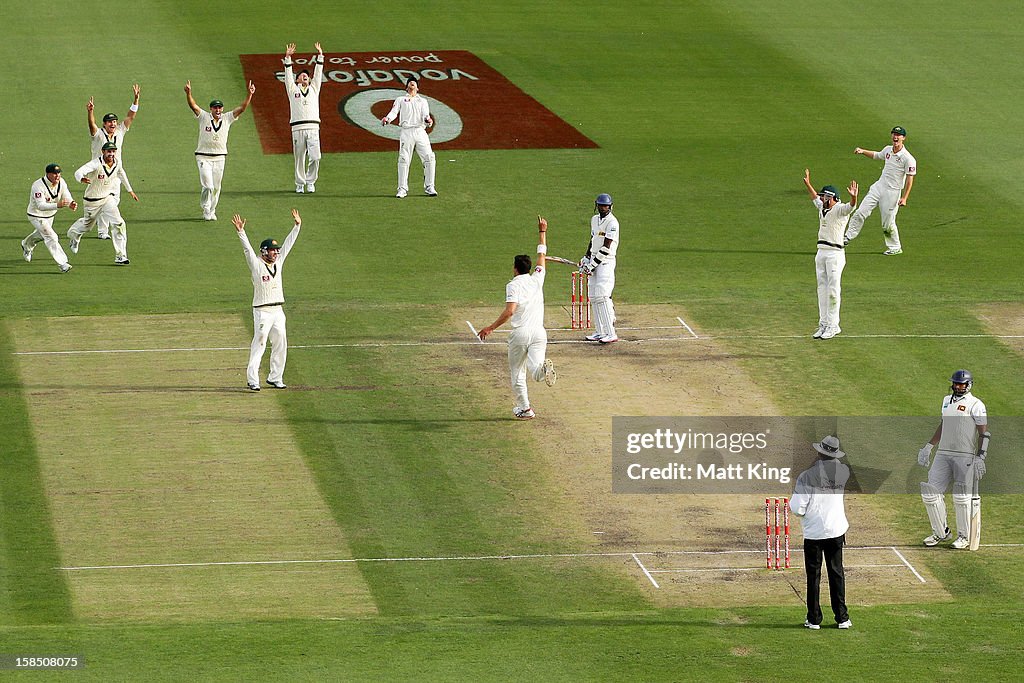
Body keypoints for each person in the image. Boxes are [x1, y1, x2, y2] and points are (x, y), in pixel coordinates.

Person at [476, 216, 557, 419]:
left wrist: (490, 327)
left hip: (520, 334)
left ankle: (525, 408)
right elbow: (541, 255)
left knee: (517, 373)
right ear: (528, 268)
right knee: (535, 368)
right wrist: (543, 232)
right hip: (539, 332)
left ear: (515, 268)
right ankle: (543, 370)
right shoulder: (537, 278)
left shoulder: (513, 285)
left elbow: (510, 311)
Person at [918, 369, 990, 549]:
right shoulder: (945, 401)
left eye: (961, 384)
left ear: (969, 385)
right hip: (943, 453)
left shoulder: (976, 404)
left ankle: (964, 537)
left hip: (964, 455)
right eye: (956, 384)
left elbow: (984, 433)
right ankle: (941, 532)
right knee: (930, 492)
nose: (958, 387)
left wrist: (981, 456)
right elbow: (944, 425)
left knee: (961, 498)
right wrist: (929, 446)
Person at [233, 209, 302, 392]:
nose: (275, 253)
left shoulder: (279, 262)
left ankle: (275, 377)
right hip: (262, 310)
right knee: (260, 342)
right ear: (264, 251)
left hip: (278, 310)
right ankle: (253, 379)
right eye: (272, 250)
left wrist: (297, 226)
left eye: (276, 250)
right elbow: (247, 250)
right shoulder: (256, 265)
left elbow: (288, 245)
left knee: (281, 341)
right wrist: (241, 232)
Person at [789, 435, 852, 630]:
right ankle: (842, 618)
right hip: (836, 530)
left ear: (819, 452)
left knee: (814, 576)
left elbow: (797, 508)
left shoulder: (807, 476)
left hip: (815, 533)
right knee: (836, 573)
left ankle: (814, 619)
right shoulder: (843, 471)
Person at [185, 79, 256, 220]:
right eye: (215, 108)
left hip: (220, 157)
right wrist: (189, 93)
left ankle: (212, 210)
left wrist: (250, 94)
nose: (217, 110)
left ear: (222, 109)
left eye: (219, 108)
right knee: (208, 185)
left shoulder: (227, 118)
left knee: (217, 187)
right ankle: (205, 208)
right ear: (211, 109)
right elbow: (193, 106)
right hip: (203, 156)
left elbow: (242, 108)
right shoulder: (204, 117)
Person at [843, 126, 917, 255]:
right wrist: (862, 151)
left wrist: (904, 198)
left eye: (898, 135)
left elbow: (910, 180)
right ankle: (847, 237)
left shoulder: (908, 158)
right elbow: (877, 155)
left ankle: (895, 247)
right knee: (860, 211)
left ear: (903, 138)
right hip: (879, 187)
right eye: (894, 134)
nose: (895, 137)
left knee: (887, 224)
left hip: (892, 192)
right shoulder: (888, 150)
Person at [802, 171, 858, 340]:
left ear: (831, 197)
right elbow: (814, 198)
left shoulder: (840, 209)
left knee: (833, 291)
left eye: (824, 197)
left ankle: (834, 325)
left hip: (835, 254)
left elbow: (851, 207)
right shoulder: (822, 208)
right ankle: (824, 324)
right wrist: (808, 184)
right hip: (821, 253)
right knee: (822, 289)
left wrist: (854, 197)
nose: (822, 199)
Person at [67, 142, 138, 265]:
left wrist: (130, 190)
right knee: (87, 226)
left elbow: (122, 174)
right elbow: (79, 172)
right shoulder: (95, 163)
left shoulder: (117, 162)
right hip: (92, 201)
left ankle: (121, 255)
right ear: (103, 152)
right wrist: (81, 179)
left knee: (119, 223)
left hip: (107, 199)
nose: (111, 154)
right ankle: (74, 236)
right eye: (108, 151)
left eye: (113, 151)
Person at [87, 84, 140, 239]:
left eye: (115, 121)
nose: (113, 124)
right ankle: (102, 231)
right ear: (104, 124)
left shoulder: (120, 131)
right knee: (104, 201)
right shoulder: (98, 134)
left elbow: (131, 116)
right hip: (99, 173)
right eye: (109, 122)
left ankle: (101, 227)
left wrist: (136, 99)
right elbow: (91, 125)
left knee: (113, 202)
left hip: (116, 172)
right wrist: (90, 112)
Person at [380, 78, 437, 198]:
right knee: (404, 159)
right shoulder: (401, 99)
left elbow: (426, 115)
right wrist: (387, 119)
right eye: (410, 83)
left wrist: (428, 121)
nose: (412, 83)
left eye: (414, 83)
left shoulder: (423, 101)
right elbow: (394, 112)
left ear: (417, 88)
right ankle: (402, 189)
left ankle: (430, 187)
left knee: (429, 158)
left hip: (420, 131)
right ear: (407, 87)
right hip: (406, 132)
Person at [283, 42, 324, 193]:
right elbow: (288, 77)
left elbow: (318, 75)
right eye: (302, 75)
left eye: (307, 75)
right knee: (299, 157)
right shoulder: (293, 89)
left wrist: (320, 56)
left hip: (313, 127)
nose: (305, 76)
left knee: (316, 156)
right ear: (298, 79)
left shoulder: (314, 88)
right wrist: (288, 58)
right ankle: (300, 183)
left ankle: (311, 181)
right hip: (297, 127)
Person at [579, 193, 620, 343]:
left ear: (610, 206)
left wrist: (592, 264)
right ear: (597, 205)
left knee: (602, 296)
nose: (603, 208)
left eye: (606, 206)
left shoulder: (613, 223)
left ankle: (611, 333)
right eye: (601, 205)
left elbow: (606, 247)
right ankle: (599, 331)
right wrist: (586, 257)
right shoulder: (594, 219)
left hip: (606, 262)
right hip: (594, 260)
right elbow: (592, 240)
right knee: (594, 297)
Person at [22, 163, 76, 273]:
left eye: (59, 173)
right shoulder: (37, 186)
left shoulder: (61, 182)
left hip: (50, 215)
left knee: (42, 235)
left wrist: (71, 203)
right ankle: (63, 263)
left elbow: (66, 194)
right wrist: (57, 205)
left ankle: (26, 244)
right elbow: (40, 206)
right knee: (52, 236)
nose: (57, 176)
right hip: (36, 215)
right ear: (48, 174)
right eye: (54, 174)